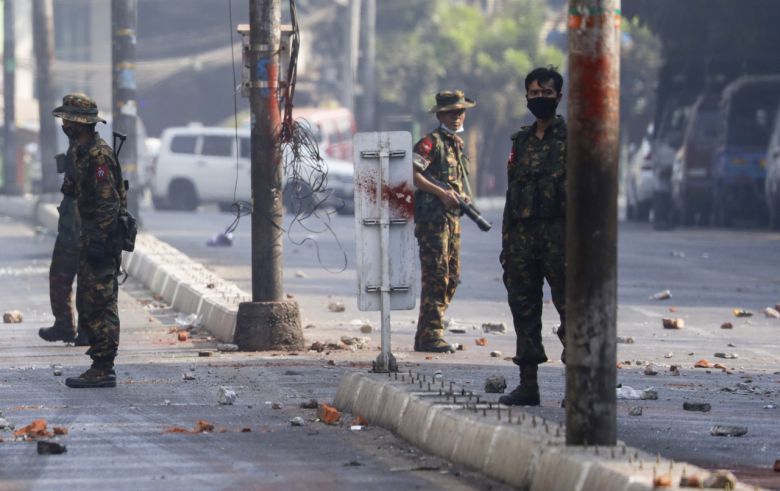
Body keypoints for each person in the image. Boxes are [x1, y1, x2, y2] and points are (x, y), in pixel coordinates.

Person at [499, 67, 567, 406]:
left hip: (562, 240)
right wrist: (507, 245)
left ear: (559, 96)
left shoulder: (572, 138)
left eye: (547, 93)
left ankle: (578, 385)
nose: (540, 99)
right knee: (524, 310)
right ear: (527, 97)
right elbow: (513, 195)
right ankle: (528, 385)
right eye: (534, 94)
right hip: (523, 241)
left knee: (572, 312)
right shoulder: (520, 142)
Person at [52, 93, 125, 388]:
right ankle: (99, 363)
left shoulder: (98, 155)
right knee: (88, 299)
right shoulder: (80, 151)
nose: (65, 124)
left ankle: (104, 366)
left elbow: (109, 201)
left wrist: (101, 240)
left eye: (68, 119)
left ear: (79, 123)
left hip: (101, 238)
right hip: (89, 235)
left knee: (101, 302)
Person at [412, 90, 475, 353]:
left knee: (452, 277)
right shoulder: (431, 143)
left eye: (461, 112)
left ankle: (428, 330)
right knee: (437, 275)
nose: (458, 117)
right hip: (433, 221)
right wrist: (441, 192)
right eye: (452, 112)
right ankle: (431, 334)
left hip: (451, 220)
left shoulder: (456, 145)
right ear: (440, 115)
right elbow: (413, 174)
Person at [38, 149, 88, 346]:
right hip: (71, 228)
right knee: (61, 277)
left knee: (85, 281)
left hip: (80, 229)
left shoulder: (92, 152)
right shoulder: (76, 147)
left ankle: (83, 330)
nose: (66, 124)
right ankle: (66, 325)